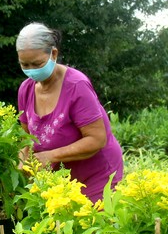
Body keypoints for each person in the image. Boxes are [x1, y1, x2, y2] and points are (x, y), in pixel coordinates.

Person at [16, 22, 123, 203]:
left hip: (96, 175)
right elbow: (26, 138)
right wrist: (21, 162)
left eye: (37, 63)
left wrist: (50, 156)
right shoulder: (25, 90)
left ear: (54, 54)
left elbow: (97, 139)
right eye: (25, 64)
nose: (32, 70)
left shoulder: (76, 86)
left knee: (94, 227)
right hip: (61, 180)